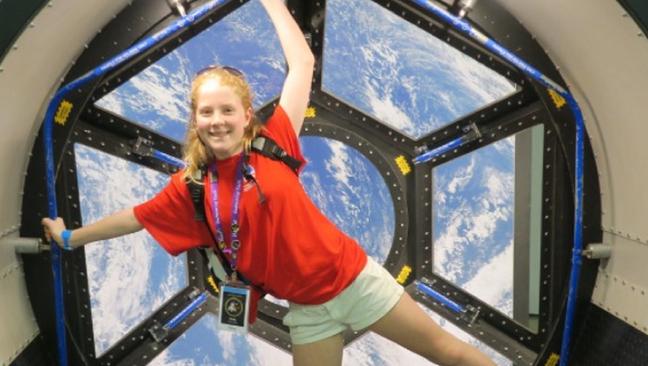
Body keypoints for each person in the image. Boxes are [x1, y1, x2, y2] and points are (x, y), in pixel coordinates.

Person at [42, 1, 495, 365]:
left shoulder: (272, 141)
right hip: (307, 312)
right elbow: (132, 219)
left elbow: (302, 64)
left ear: (245, 115)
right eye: (206, 112)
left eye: (226, 111)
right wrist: (68, 236)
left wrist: (272, 3)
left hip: (356, 281)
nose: (217, 121)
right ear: (195, 121)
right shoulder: (191, 188)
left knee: (447, 354)